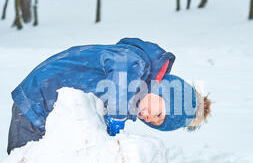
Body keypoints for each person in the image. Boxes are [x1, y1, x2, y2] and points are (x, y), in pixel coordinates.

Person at [7, 38, 211, 154]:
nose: (149, 118)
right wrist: (117, 117)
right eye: (158, 113)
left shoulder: (126, 98)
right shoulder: (135, 62)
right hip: (37, 101)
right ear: (162, 91)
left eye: (155, 122)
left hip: (51, 111)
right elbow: (120, 76)